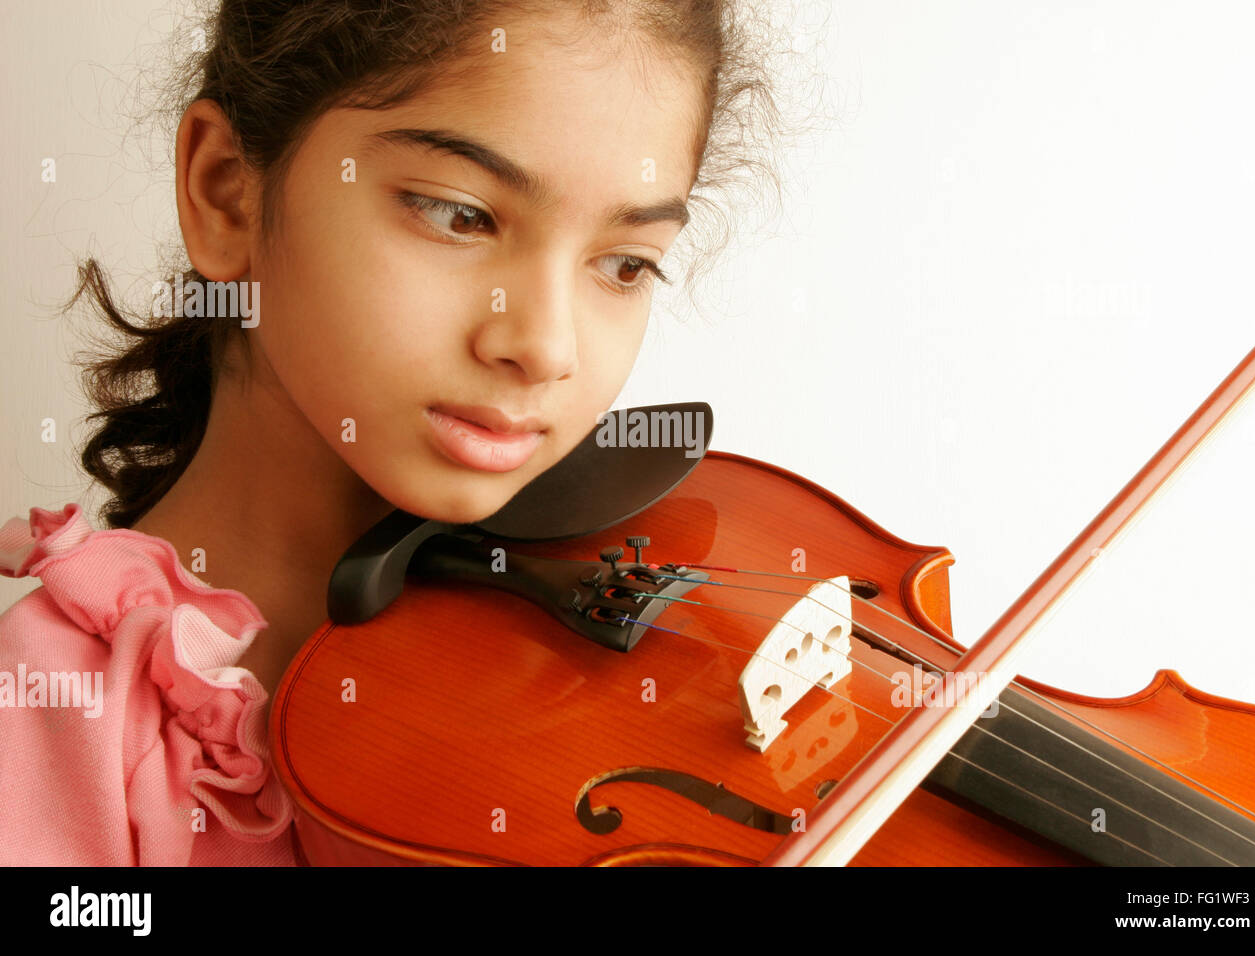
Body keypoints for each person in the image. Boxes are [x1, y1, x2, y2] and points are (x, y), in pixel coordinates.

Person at [0, 0, 795, 865]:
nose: (544, 346)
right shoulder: (46, 722)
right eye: (460, 214)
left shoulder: (605, 658)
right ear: (226, 190)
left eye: (625, 263)